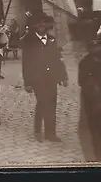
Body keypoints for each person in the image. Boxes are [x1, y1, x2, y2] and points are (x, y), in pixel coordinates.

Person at [22, 12, 68, 142]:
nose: (42, 25)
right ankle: (37, 131)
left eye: (44, 22)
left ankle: (50, 133)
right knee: (42, 103)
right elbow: (26, 63)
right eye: (39, 22)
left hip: (51, 78)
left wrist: (63, 76)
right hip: (37, 79)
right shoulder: (29, 41)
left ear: (48, 25)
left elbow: (58, 59)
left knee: (52, 104)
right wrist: (27, 82)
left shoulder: (51, 39)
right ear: (35, 25)